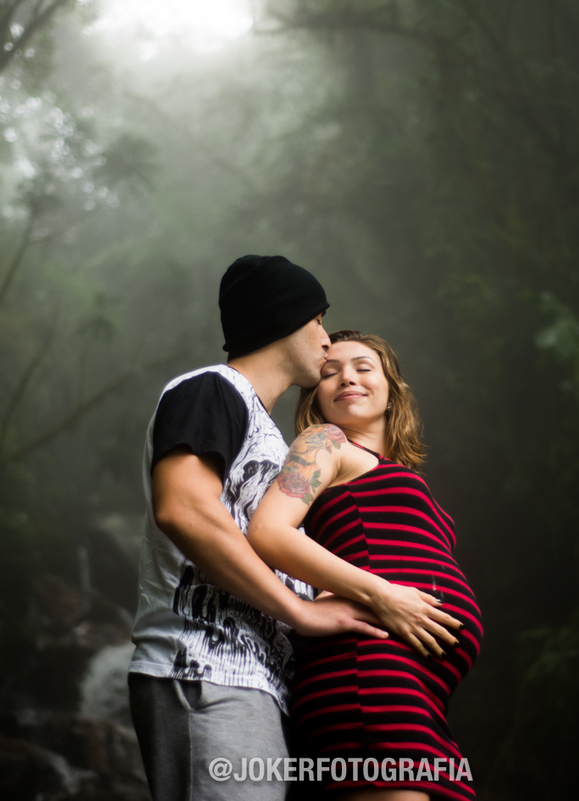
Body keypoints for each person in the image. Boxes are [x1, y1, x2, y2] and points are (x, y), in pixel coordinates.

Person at [128, 258, 454, 801]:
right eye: (319, 321)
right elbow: (183, 510)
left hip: (261, 682)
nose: (327, 342)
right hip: (205, 666)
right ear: (285, 318)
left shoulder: (271, 441)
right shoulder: (213, 389)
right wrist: (303, 610)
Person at [249, 330, 483, 801]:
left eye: (362, 367)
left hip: (414, 688)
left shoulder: (391, 470)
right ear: (315, 397)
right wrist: (382, 593)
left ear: (393, 390)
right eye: (329, 372)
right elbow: (269, 531)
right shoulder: (326, 442)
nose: (346, 378)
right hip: (368, 675)